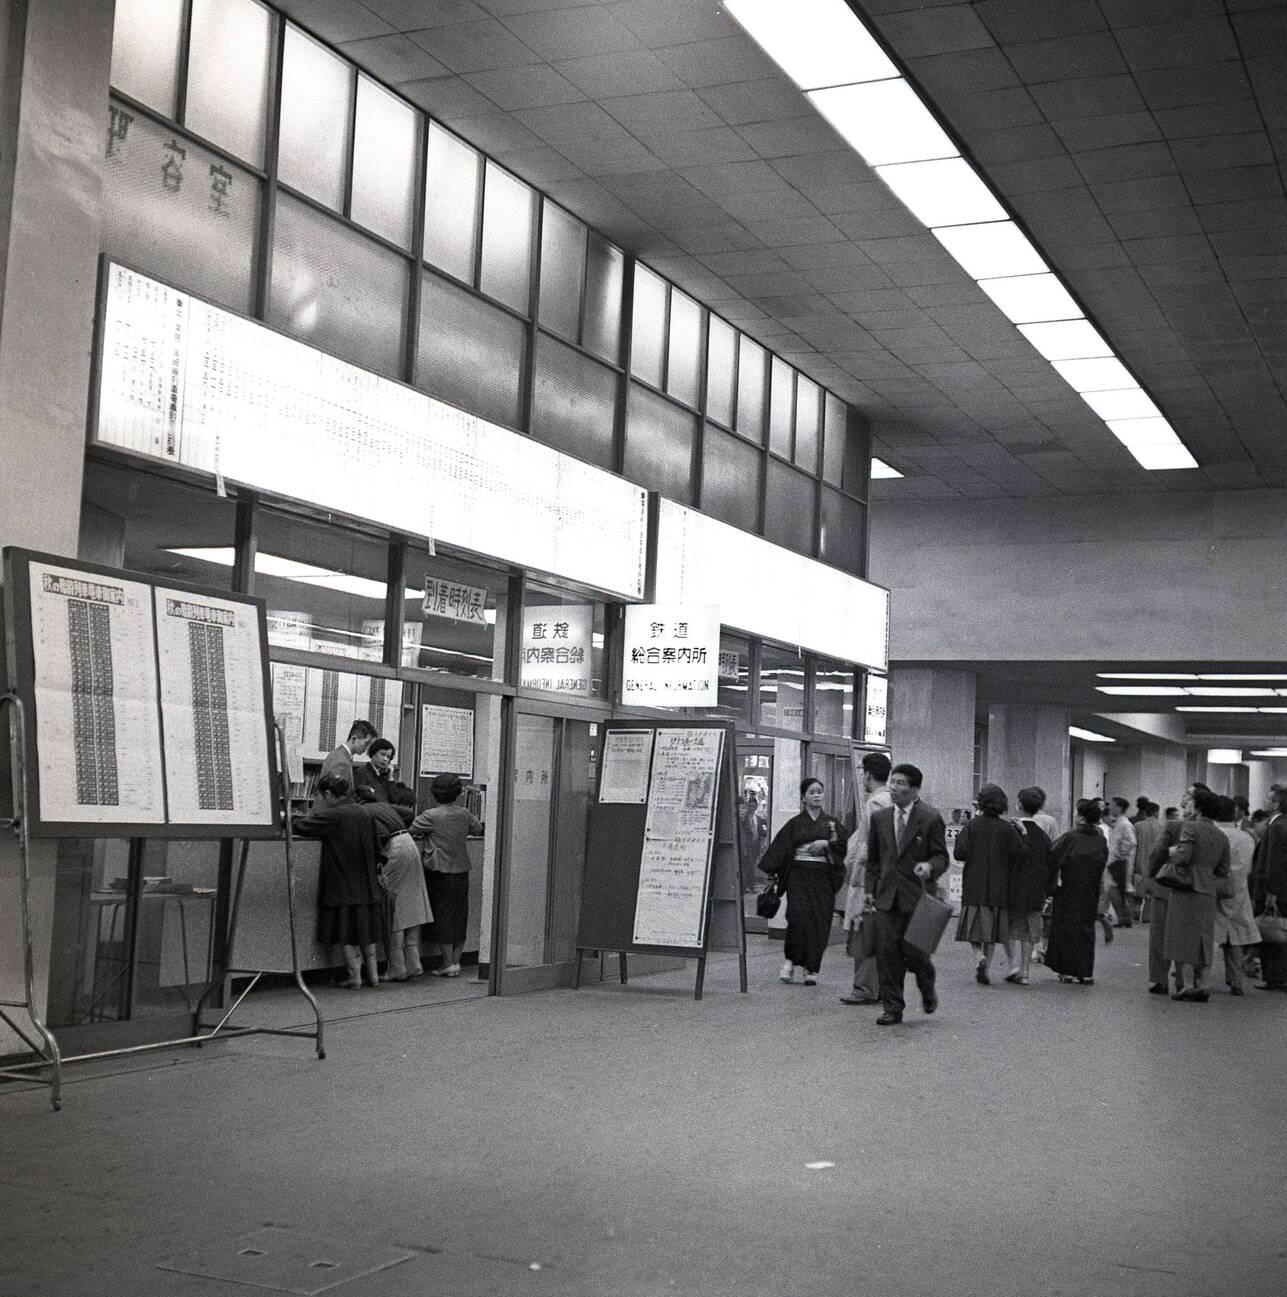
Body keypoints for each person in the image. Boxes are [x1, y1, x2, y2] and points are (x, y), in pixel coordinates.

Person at [865, 762, 948, 1025]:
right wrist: (869, 890)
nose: (894, 788)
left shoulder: (930, 817)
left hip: (917, 897)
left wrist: (929, 866)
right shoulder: (880, 818)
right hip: (887, 896)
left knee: (915, 953)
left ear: (915, 789)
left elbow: (941, 857)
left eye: (901, 783)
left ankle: (927, 987)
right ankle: (893, 1008)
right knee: (887, 953)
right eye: (893, 782)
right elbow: (874, 860)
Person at [293, 773, 385, 989]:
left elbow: (304, 825)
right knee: (366, 931)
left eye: (321, 796)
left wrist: (285, 817)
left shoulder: (334, 815)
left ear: (328, 794)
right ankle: (373, 975)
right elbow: (378, 846)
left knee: (348, 933)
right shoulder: (364, 812)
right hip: (368, 885)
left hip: (343, 884)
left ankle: (355, 977)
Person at [759, 778, 849, 985]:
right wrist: (771, 874)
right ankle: (790, 961)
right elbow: (781, 848)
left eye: (819, 791)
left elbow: (843, 845)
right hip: (799, 876)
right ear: (803, 798)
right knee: (797, 918)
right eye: (812, 792)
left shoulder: (832, 823)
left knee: (820, 921)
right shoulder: (795, 824)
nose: (817, 795)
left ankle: (812, 968)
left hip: (823, 878)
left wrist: (827, 843)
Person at [409, 773, 483, 978]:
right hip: (461, 870)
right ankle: (457, 963)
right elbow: (477, 828)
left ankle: (447, 963)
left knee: (443, 917)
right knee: (460, 916)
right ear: (458, 793)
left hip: (440, 871)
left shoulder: (430, 815)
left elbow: (411, 829)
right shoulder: (465, 814)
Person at [953, 783, 1026, 985]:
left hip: (974, 884)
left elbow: (959, 853)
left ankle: (979, 958)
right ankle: (988, 963)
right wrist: (1021, 832)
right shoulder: (1006, 829)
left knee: (973, 928)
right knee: (992, 931)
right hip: (998, 886)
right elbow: (1020, 853)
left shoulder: (972, 826)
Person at [1163, 786, 1230, 1002]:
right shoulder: (1221, 836)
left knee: (1182, 937)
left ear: (1199, 808)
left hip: (1186, 889)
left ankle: (1188, 985)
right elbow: (1223, 869)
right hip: (1208, 891)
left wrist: (1172, 852)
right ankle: (1205, 983)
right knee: (1204, 937)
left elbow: (1182, 857)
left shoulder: (1191, 828)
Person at [839, 751, 893, 1005]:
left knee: (864, 933)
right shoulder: (894, 800)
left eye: (862, 772)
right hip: (888, 879)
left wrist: (853, 864)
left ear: (868, 774)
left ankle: (863, 987)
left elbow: (867, 845)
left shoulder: (874, 803)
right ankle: (881, 986)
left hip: (867, 879)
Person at [1044, 799, 1109, 986]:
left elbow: (1052, 856)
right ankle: (1085, 971)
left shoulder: (1070, 838)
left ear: (1080, 817)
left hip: (1069, 888)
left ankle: (1066, 970)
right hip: (1090, 889)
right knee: (1086, 929)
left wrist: (1049, 886)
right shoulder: (1100, 839)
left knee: (1065, 928)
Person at [365, 800, 432, 981]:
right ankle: (414, 961)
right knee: (412, 902)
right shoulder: (383, 805)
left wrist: (378, 858)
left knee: (394, 907)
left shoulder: (364, 810)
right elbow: (409, 813)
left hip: (394, 848)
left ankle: (397, 967)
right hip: (409, 843)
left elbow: (382, 834)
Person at [1212, 796, 1258, 995]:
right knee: (1236, 937)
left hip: (1213, 889)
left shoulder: (1213, 834)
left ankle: (1200, 977)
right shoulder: (1247, 838)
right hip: (1238, 890)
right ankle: (1235, 980)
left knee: (1210, 934)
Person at [1009, 787, 1054, 985]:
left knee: (1010, 927)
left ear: (1019, 804)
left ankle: (1013, 966)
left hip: (1014, 887)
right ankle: (1025, 971)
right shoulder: (1043, 836)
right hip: (1035, 890)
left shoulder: (1013, 831)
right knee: (1028, 931)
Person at [1250, 785, 1287, 992]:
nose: (1264, 801)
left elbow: (1272, 862)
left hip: (1274, 889)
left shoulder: (1276, 827)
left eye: (1268, 798)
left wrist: (1270, 891)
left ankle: (1274, 976)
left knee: (1272, 934)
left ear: (1276, 804)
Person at [318, 718, 378, 790]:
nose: (367, 748)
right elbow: (337, 795)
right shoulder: (341, 761)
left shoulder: (340, 754)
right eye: (366, 743)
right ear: (354, 739)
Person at [1105, 796, 1137, 928]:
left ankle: (1124, 916)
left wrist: (1120, 854)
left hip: (1120, 861)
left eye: (1113, 805)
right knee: (1117, 889)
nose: (1110, 807)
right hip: (1116, 860)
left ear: (1119, 807)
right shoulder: (1118, 823)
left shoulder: (1124, 824)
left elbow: (1131, 842)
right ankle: (1123, 917)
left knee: (1116, 889)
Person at [354, 737, 414, 806]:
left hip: (386, 810)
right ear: (373, 753)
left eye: (388, 757)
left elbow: (395, 799)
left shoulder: (384, 775)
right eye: (382, 754)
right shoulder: (362, 772)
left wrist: (390, 777)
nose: (385, 759)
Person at [1133, 801, 1164, 915]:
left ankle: (1135, 912)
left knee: (1138, 891)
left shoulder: (1138, 826)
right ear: (1156, 812)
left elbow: (1134, 845)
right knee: (1151, 893)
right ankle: (1147, 915)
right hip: (1155, 864)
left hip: (1140, 863)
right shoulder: (1161, 827)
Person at [738, 790, 767, 893]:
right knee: (748, 865)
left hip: (756, 845)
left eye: (754, 806)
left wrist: (763, 843)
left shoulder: (759, 819)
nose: (752, 808)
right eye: (750, 806)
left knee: (752, 864)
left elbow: (763, 832)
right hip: (747, 845)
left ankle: (749, 885)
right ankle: (748, 886)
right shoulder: (744, 819)